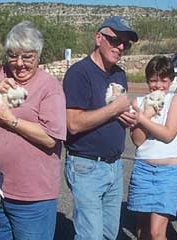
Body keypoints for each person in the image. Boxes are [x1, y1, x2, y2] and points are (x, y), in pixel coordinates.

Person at [0, 21, 66, 240]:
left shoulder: (49, 87)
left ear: (38, 56)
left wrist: (10, 120)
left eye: (26, 56)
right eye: (13, 55)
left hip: (32, 196)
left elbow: (50, 138)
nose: (19, 63)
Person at [63, 16, 138, 240]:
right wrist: (115, 109)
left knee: (108, 234)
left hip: (114, 166)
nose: (121, 47)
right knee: (90, 236)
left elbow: (117, 112)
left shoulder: (119, 74)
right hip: (86, 166)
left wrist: (129, 116)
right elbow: (73, 124)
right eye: (115, 40)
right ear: (98, 38)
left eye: (126, 43)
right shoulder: (79, 73)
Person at [127, 56, 177, 239]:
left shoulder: (175, 100)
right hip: (144, 168)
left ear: (171, 80)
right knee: (142, 230)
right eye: (153, 80)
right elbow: (137, 140)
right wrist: (148, 112)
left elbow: (168, 134)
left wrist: (143, 118)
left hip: (168, 172)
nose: (158, 85)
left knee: (157, 232)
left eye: (163, 80)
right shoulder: (138, 103)